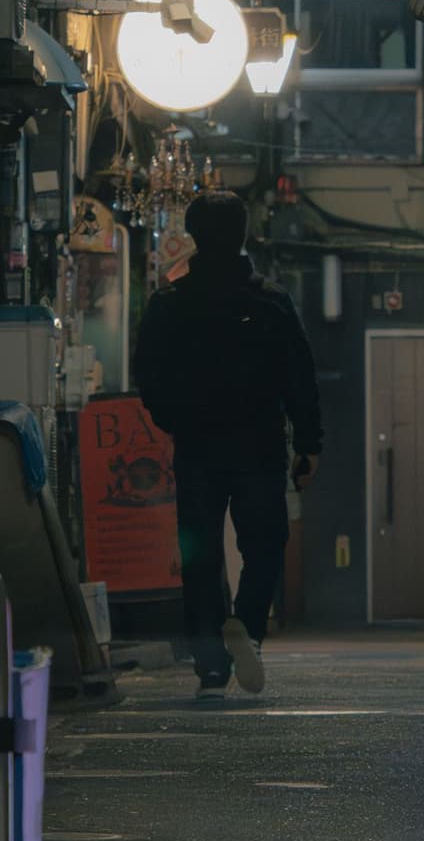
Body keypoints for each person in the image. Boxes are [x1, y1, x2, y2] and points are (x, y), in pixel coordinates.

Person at [134, 191, 320, 696]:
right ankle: (249, 630)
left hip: (196, 449)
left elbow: (147, 375)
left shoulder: (170, 304)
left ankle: (211, 666)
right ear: (243, 234)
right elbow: (300, 378)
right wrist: (309, 444)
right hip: (259, 449)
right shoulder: (271, 301)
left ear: (193, 235)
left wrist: (173, 420)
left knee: (200, 556)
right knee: (264, 545)